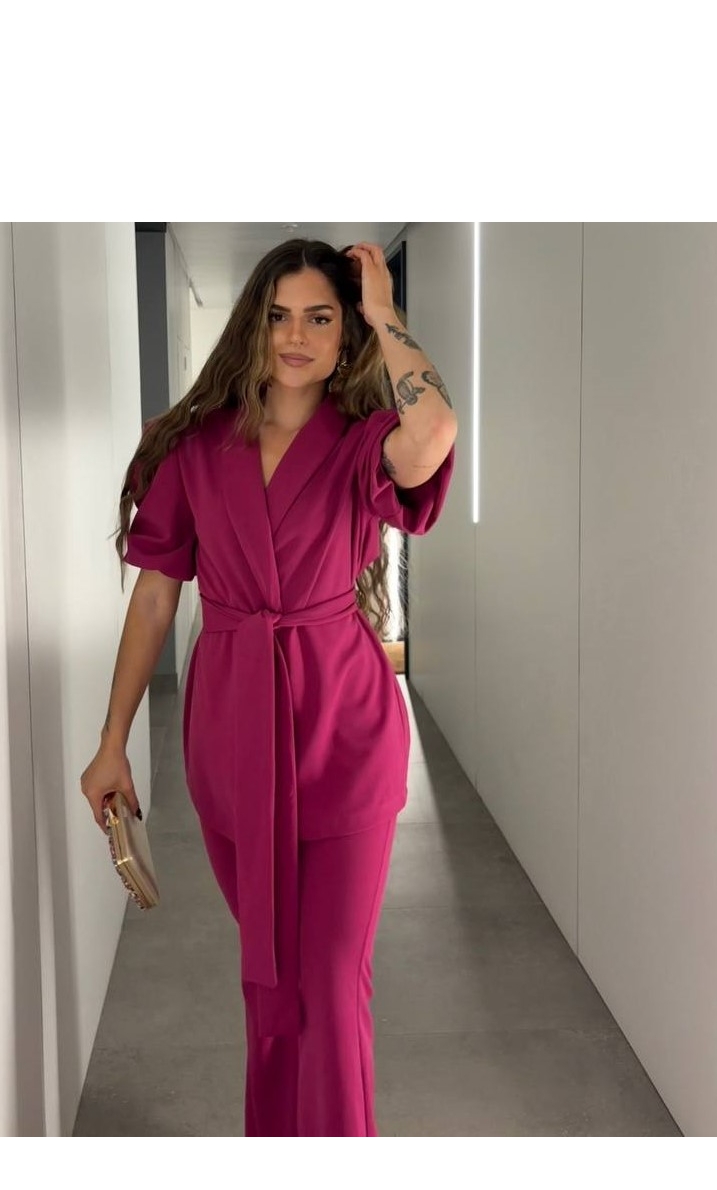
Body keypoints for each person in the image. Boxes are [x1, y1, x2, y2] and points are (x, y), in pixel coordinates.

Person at [80, 237, 456, 1136]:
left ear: (346, 333)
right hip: (233, 735)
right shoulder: (193, 446)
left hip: (344, 732)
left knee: (329, 981)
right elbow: (156, 596)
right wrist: (111, 741)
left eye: (320, 317)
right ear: (254, 323)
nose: (296, 336)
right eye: (280, 315)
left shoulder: (365, 443)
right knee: (272, 981)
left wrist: (384, 312)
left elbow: (435, 433)